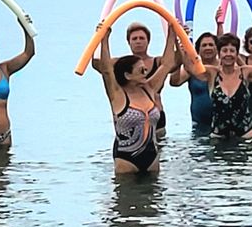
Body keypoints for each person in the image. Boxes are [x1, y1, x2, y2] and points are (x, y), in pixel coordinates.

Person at [92, 25, 179, 173]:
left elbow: (167, 64)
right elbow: (106, 70)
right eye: (141, 70)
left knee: (156, 195)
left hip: (151, 157)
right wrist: (103, 38)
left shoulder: (149, 89)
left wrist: (172, 34)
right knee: (128, 195)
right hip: (126, 159)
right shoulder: (117, 94)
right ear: (128, 75)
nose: (146, 72)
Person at [206, 33, 252, 140]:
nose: (228, 54)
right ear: (219, 53)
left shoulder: (245, 71)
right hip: (218, 137)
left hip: (247, 136)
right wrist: (182, 40)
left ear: (237, 53)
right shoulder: (212, 72)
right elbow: (189, 66)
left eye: (232, 51)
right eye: (224, 51)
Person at [170, 33, 218, 129]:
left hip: (222, 121)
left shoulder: (223, 68)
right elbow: (174, 82)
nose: (208, 48)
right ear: (198, 50)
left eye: (211, 45)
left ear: (217, 48)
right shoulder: (191, 68)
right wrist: (179, 59)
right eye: (204, 45)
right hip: (199, 124)